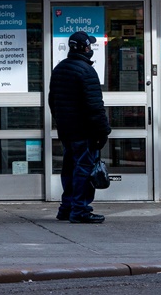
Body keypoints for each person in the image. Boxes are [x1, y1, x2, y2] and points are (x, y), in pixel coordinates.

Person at [49, 31, 111, 224]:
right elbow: (95, 106)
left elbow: (53, 101)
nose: (90, 49)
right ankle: (80, 210)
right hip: (84, 132)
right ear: (84, 47)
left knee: (69, 169)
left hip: (67, 131)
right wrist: (103, 132)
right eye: (89, 46)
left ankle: (66, 208)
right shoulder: (86, 71)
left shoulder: (60, 69)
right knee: (84, 169)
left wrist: (61, 122)